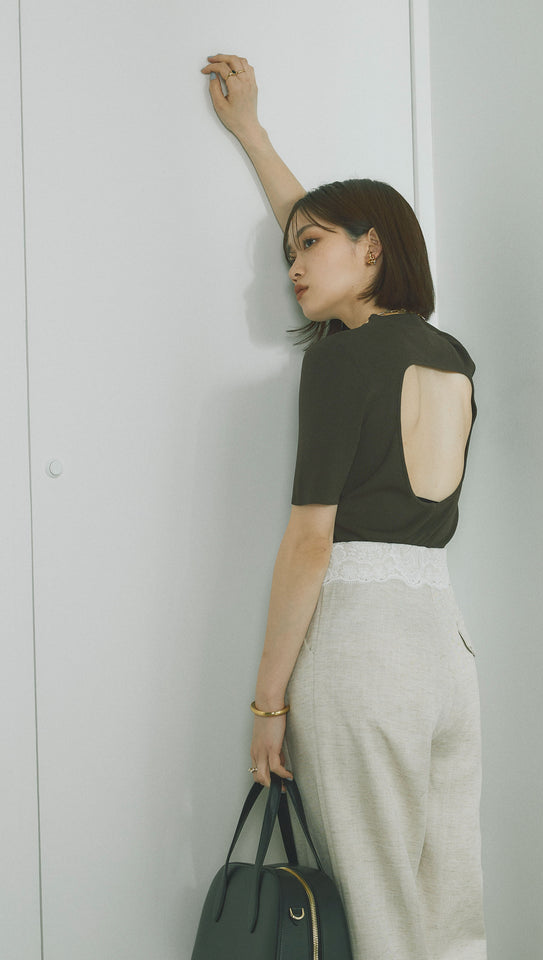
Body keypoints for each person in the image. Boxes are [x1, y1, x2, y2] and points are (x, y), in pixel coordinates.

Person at [200, 53, 487, 960]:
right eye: (290, 250)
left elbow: (310, 542)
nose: (293, 262)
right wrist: (253, 133)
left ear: (372, 249)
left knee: (377, 914)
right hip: (445, 648)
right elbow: (319, 223)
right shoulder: (450, 355)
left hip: (363, 646)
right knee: (450, 908)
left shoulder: (339, 361)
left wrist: (267, 706)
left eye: (310, 246)